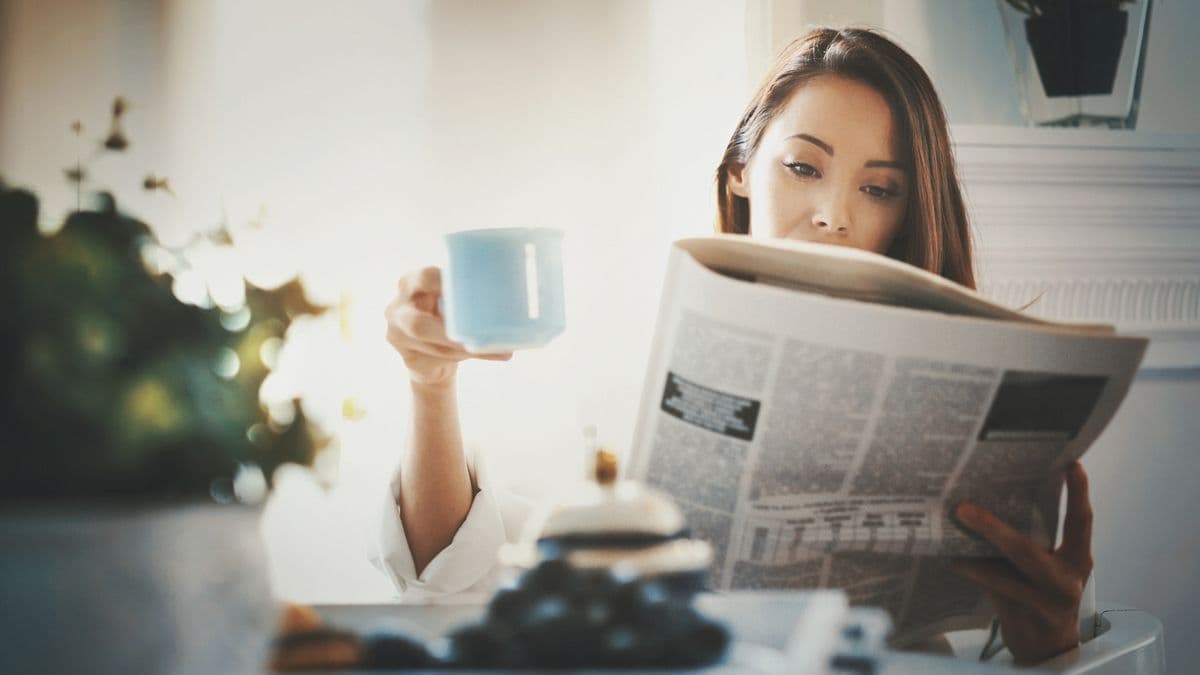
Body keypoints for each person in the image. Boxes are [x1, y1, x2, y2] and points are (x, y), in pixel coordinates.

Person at [373, 27, 1094, 667]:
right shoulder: (629, 368)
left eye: (879, 188)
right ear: (741, 171)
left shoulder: (973, 397)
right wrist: (429, 384)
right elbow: (449, 578)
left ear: (909, 212)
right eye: (804, 167)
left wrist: (1052, 645)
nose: (833, 215)